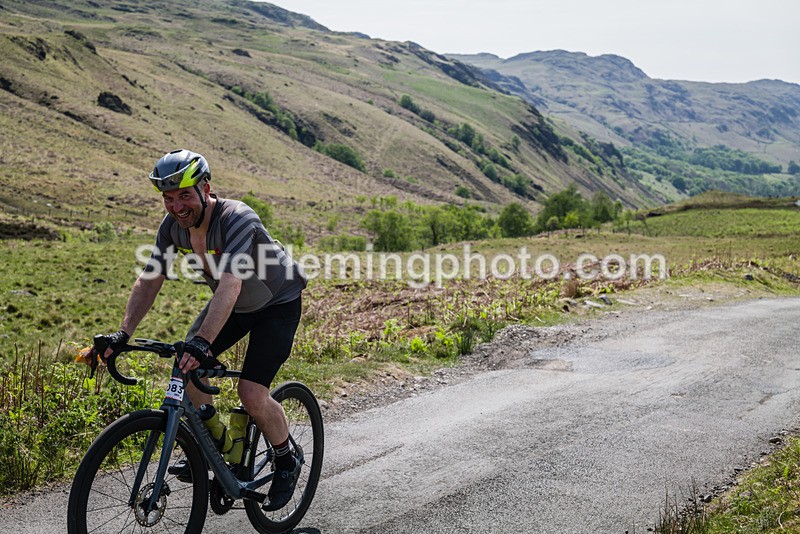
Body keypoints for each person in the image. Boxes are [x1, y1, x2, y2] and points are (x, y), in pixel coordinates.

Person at [95, 149, 307, 511]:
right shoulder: (173, 228)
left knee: (252, 393)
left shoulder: (238, 218)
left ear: (206, 189)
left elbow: (230, 284)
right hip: (236, 305)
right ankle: (217, 446)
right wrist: (123, 333)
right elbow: (150, 278)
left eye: (184, 195)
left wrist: (203, 341)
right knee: (185, 366)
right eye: (168, 198)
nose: (176, 206)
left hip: (277, 303)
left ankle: (287, 458)